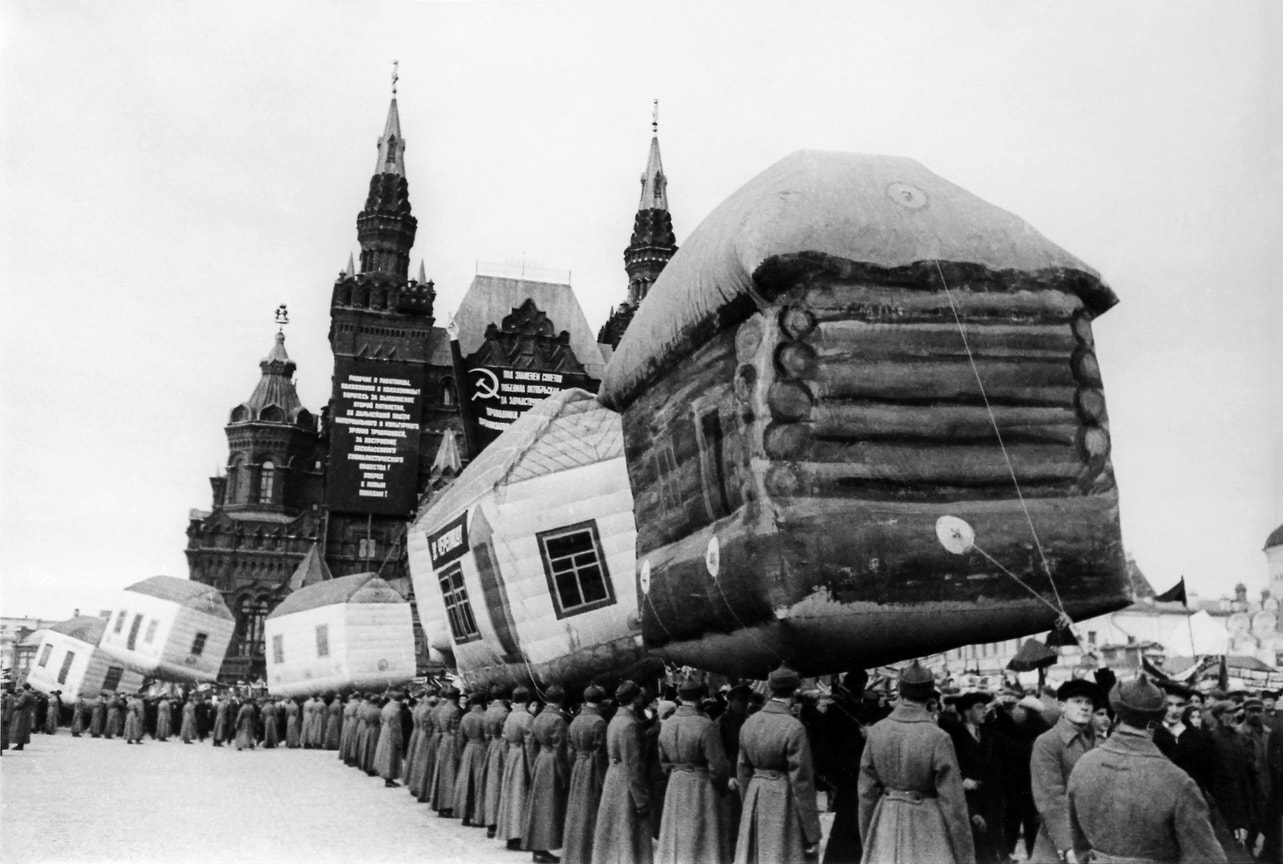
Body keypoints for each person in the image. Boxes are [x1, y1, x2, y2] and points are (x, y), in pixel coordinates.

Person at [1067, 674, 1226, 863]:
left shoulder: (1084, 765)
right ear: (1158, 715)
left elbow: (1078, 842)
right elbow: (1206, 857)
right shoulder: (1177, 781)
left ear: (1117, 712)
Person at [858, 661, 971, 864]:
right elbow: (953, 803)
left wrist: (869, 837)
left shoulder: (877, 731)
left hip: (886, 819)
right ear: (930, 694)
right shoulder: (938, 737)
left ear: (900, 691)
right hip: (927, 824)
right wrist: (965, 855)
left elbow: (866, 794)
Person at [656, 674, 730, 864]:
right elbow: (718, 766)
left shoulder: (667, 724)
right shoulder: (706, 725)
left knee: (676, 837)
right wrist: (721, 788)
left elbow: (663, 761)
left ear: (680, 697)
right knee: (702, 841)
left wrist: (676, 773)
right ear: (700, 698)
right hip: (701, 786)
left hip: (675, 783)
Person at [1029, 678, 1100, 864]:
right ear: (1061, 706)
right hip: (1058, 845)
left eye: (1089, 702)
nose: (1084, 707)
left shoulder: (1096, 742)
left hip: (1094, 842)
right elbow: (1051, 800)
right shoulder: (1048, 742)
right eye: (1077, 701)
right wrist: (1068, 849)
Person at [593, 680, 652, 864]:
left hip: (613, 779)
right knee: (630, 836)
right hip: (626, 784)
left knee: (614, 834)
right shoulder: (630, 725)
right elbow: (633, 766)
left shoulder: (615, 720)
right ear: (635, 698)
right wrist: (641, 800)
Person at [949, 691, 1004, 864]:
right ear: (966, 712)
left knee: (991, 847)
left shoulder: (988, 733)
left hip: (991, 800)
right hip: (968, 802)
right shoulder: (952, 736)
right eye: (979, 707)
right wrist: (961, 780)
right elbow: (946, 766)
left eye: (985, 707)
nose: (984, 711)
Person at [524, 684, 570, 863]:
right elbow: (561, 751)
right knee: (550, 807)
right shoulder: (559, 720)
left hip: (541, 761)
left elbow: (531, 745)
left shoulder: (538, 717)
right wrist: (565, 776)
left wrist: (535, 764)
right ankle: (544, 849)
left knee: (539, 807)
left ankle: (538, 848)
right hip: (552, 763)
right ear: (561, 700)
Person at [563, 684, 608, 864]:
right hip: (592, 767)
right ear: (601, 701)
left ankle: (575, 853)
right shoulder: (599, 722)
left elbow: (569, 750)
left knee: (578, 811)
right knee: (592, 811)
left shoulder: (575, 721)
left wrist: (576, 765)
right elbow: (601, 754)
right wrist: (604, 780)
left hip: (579, 767)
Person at [497, 686, 536, 851]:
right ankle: (519, 834)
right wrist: (532, 766)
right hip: (522, 756)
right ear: (526, 700)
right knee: (521, 795)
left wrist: (508, 759)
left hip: (512, 755)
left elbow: (504, 740)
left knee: (511, 794)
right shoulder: (527, 717)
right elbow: (530, 744)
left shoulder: (510, 716)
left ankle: (510, 834)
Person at [454, 689, 491, 823]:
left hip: (468, 749)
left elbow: (460, 738)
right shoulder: (485, 716)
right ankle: (478, 816)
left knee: (466, 782)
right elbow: (487, 737)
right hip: (481, 749)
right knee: (479, 782)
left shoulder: (466, 717)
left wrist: (461, 753)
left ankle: (465, 814)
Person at [483, 683, 512, 837]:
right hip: (502, 746)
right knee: (503, 784)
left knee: (492, 784)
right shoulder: (504, 712)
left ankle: (490, 822)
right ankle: (500, 821)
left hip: (492, 746)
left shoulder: (487, 712)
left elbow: (486, 733)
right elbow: (507, 733)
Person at [431, 686, 464, 815]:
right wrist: (460, 749)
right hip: (452, 741)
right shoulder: (456, 710)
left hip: (444, 740)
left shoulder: (443, 709)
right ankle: (449, 804)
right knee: (451, 772)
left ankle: (442, 803)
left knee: (443, 772)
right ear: (456, 697)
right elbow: (457, 731)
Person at [375, 691, 406, 788]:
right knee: (391, 755)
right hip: (392, 733)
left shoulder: (386, 707)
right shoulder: (396, 710)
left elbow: (381, 720)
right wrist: (399, 740)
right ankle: (389, 778)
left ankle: (386, 776)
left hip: (385, 731)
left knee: (385, 754)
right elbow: (396, 726)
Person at [8, 685, 36, 751]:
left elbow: (20, 704)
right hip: (27, 713)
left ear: (23, 688)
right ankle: (21, 744)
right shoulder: (30, 695)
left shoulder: (25, 695)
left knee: (19, 728)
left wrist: (13, 706)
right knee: (24, 729)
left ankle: (19, 745)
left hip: (21, 714)